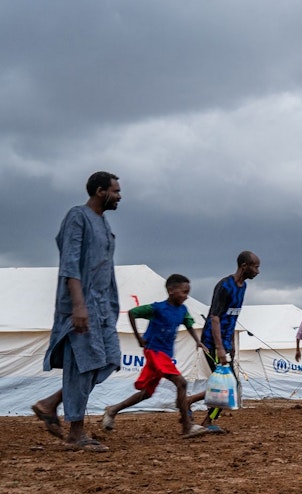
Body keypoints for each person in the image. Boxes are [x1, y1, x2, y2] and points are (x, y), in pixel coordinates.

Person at [31, 171, 122, 452]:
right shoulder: (77, 217)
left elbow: (106, 270)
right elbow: (70, 262)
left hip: (103, 308)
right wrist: (78, 306)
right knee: (82, 365)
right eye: (115, 191)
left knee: (109, 360)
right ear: (99, 191)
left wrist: (112, 306)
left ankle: (51, 404)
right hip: (80, 307)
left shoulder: (104, 224)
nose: (119, 196)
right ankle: (76, 432)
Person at [100, 274, 210, 438]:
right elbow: (132, 313)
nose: (186, 296)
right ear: (171, 290)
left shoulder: (182, 310)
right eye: (183, 292)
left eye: (188, 293)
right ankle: (186, 425)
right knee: (181, 383)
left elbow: (189, 325)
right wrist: (138, 338)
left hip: (164, 354)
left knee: (147, 393)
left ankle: (113, 410)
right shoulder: (157, 308)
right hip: (154, 352)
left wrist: (197, 341)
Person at [185, 251, 261, 432]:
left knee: (228, 385)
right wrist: (219, 348)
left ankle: (206, 419)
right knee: (228, 384)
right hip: (211, 342)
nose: (258, 271)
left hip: (225, 342)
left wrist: (232, 344)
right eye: (256, 267)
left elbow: (233, 317)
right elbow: (215, 318)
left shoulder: (242, 287)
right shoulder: (224, 286)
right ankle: (189, 404)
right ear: (244, 266)